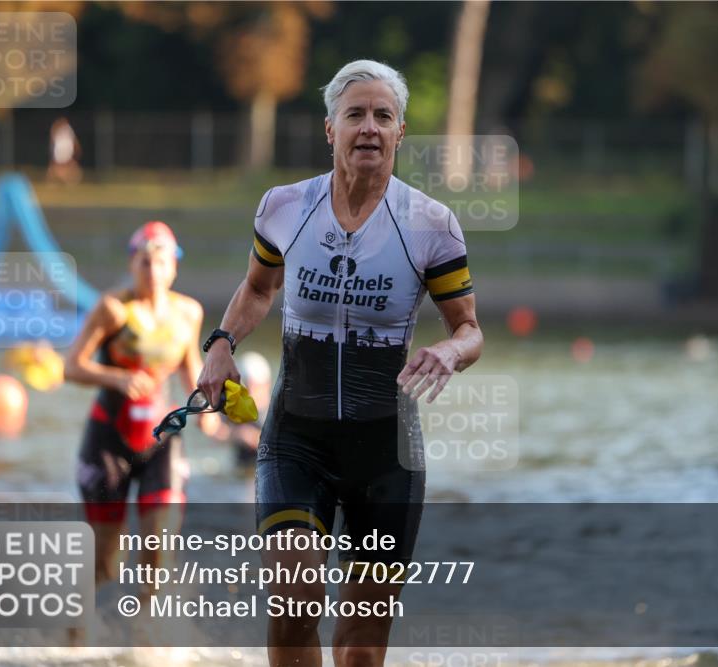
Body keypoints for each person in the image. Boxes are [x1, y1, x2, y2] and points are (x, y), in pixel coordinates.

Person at [197, 59, 484, 667]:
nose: (370, 128)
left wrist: (449, 351)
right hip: (296, 438)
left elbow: (470, 330)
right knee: (293, 603)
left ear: (401, 132)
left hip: (387, 453)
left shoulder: (432, 224)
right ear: (331, 130)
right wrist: (221, 344)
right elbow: (257, 289)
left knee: (360, 642)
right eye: (356, 114)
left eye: (384, 116)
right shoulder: (283, 207)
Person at [64, 221, 219, 594]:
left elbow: (188, 369)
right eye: (145, 263)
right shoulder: (114, 309)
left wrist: (210, 406)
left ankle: (149, 644)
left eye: (161, 263)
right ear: (132, 265)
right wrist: (116, 378)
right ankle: (72, 639)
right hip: (109, 439)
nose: (153, 271)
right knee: (105, 564)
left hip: (160, 440)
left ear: (174, 268)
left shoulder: (188, 313)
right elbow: (71, 366)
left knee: (158, 554)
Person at [208, 351, 273, 468]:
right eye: (248, 387)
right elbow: (213, 432)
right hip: (241, 468)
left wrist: (253, 438)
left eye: (257, 387)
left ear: (267, 385)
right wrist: (236, 434)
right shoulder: (234, 408)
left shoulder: (274, 412)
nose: (253, 392)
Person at [47, 117, 82, 185]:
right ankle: (57, 180)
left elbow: (74, 140)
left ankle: (61, 180)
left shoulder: (68, 129)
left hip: (66, 149)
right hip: (60, 150)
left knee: (62, 166)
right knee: (59, 166)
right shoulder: (58, 129)